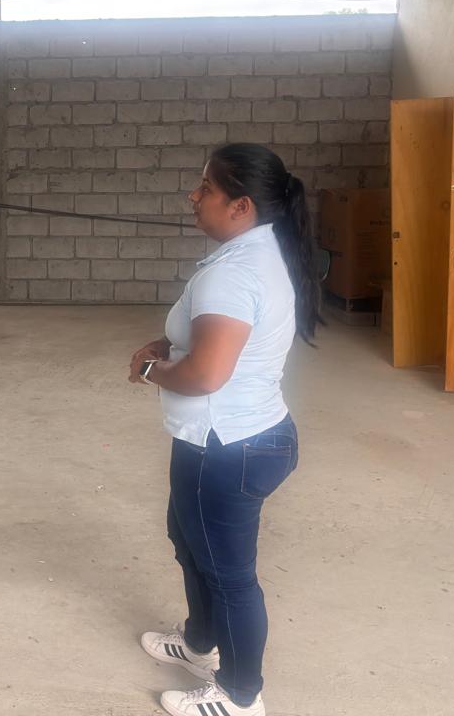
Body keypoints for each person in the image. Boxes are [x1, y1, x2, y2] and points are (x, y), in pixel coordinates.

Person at [128, 143, 319, 716]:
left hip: (226, 447)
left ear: (241, 206)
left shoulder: (234, 274)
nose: (194, 195)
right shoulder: (256, 252)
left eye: (206, 187)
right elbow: (220, 341)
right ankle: (199, 643)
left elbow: (207, 374)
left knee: (229, 575)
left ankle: (239, 695)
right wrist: (172, 344)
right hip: (235, 437)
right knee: (188, 539)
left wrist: (150, 371)